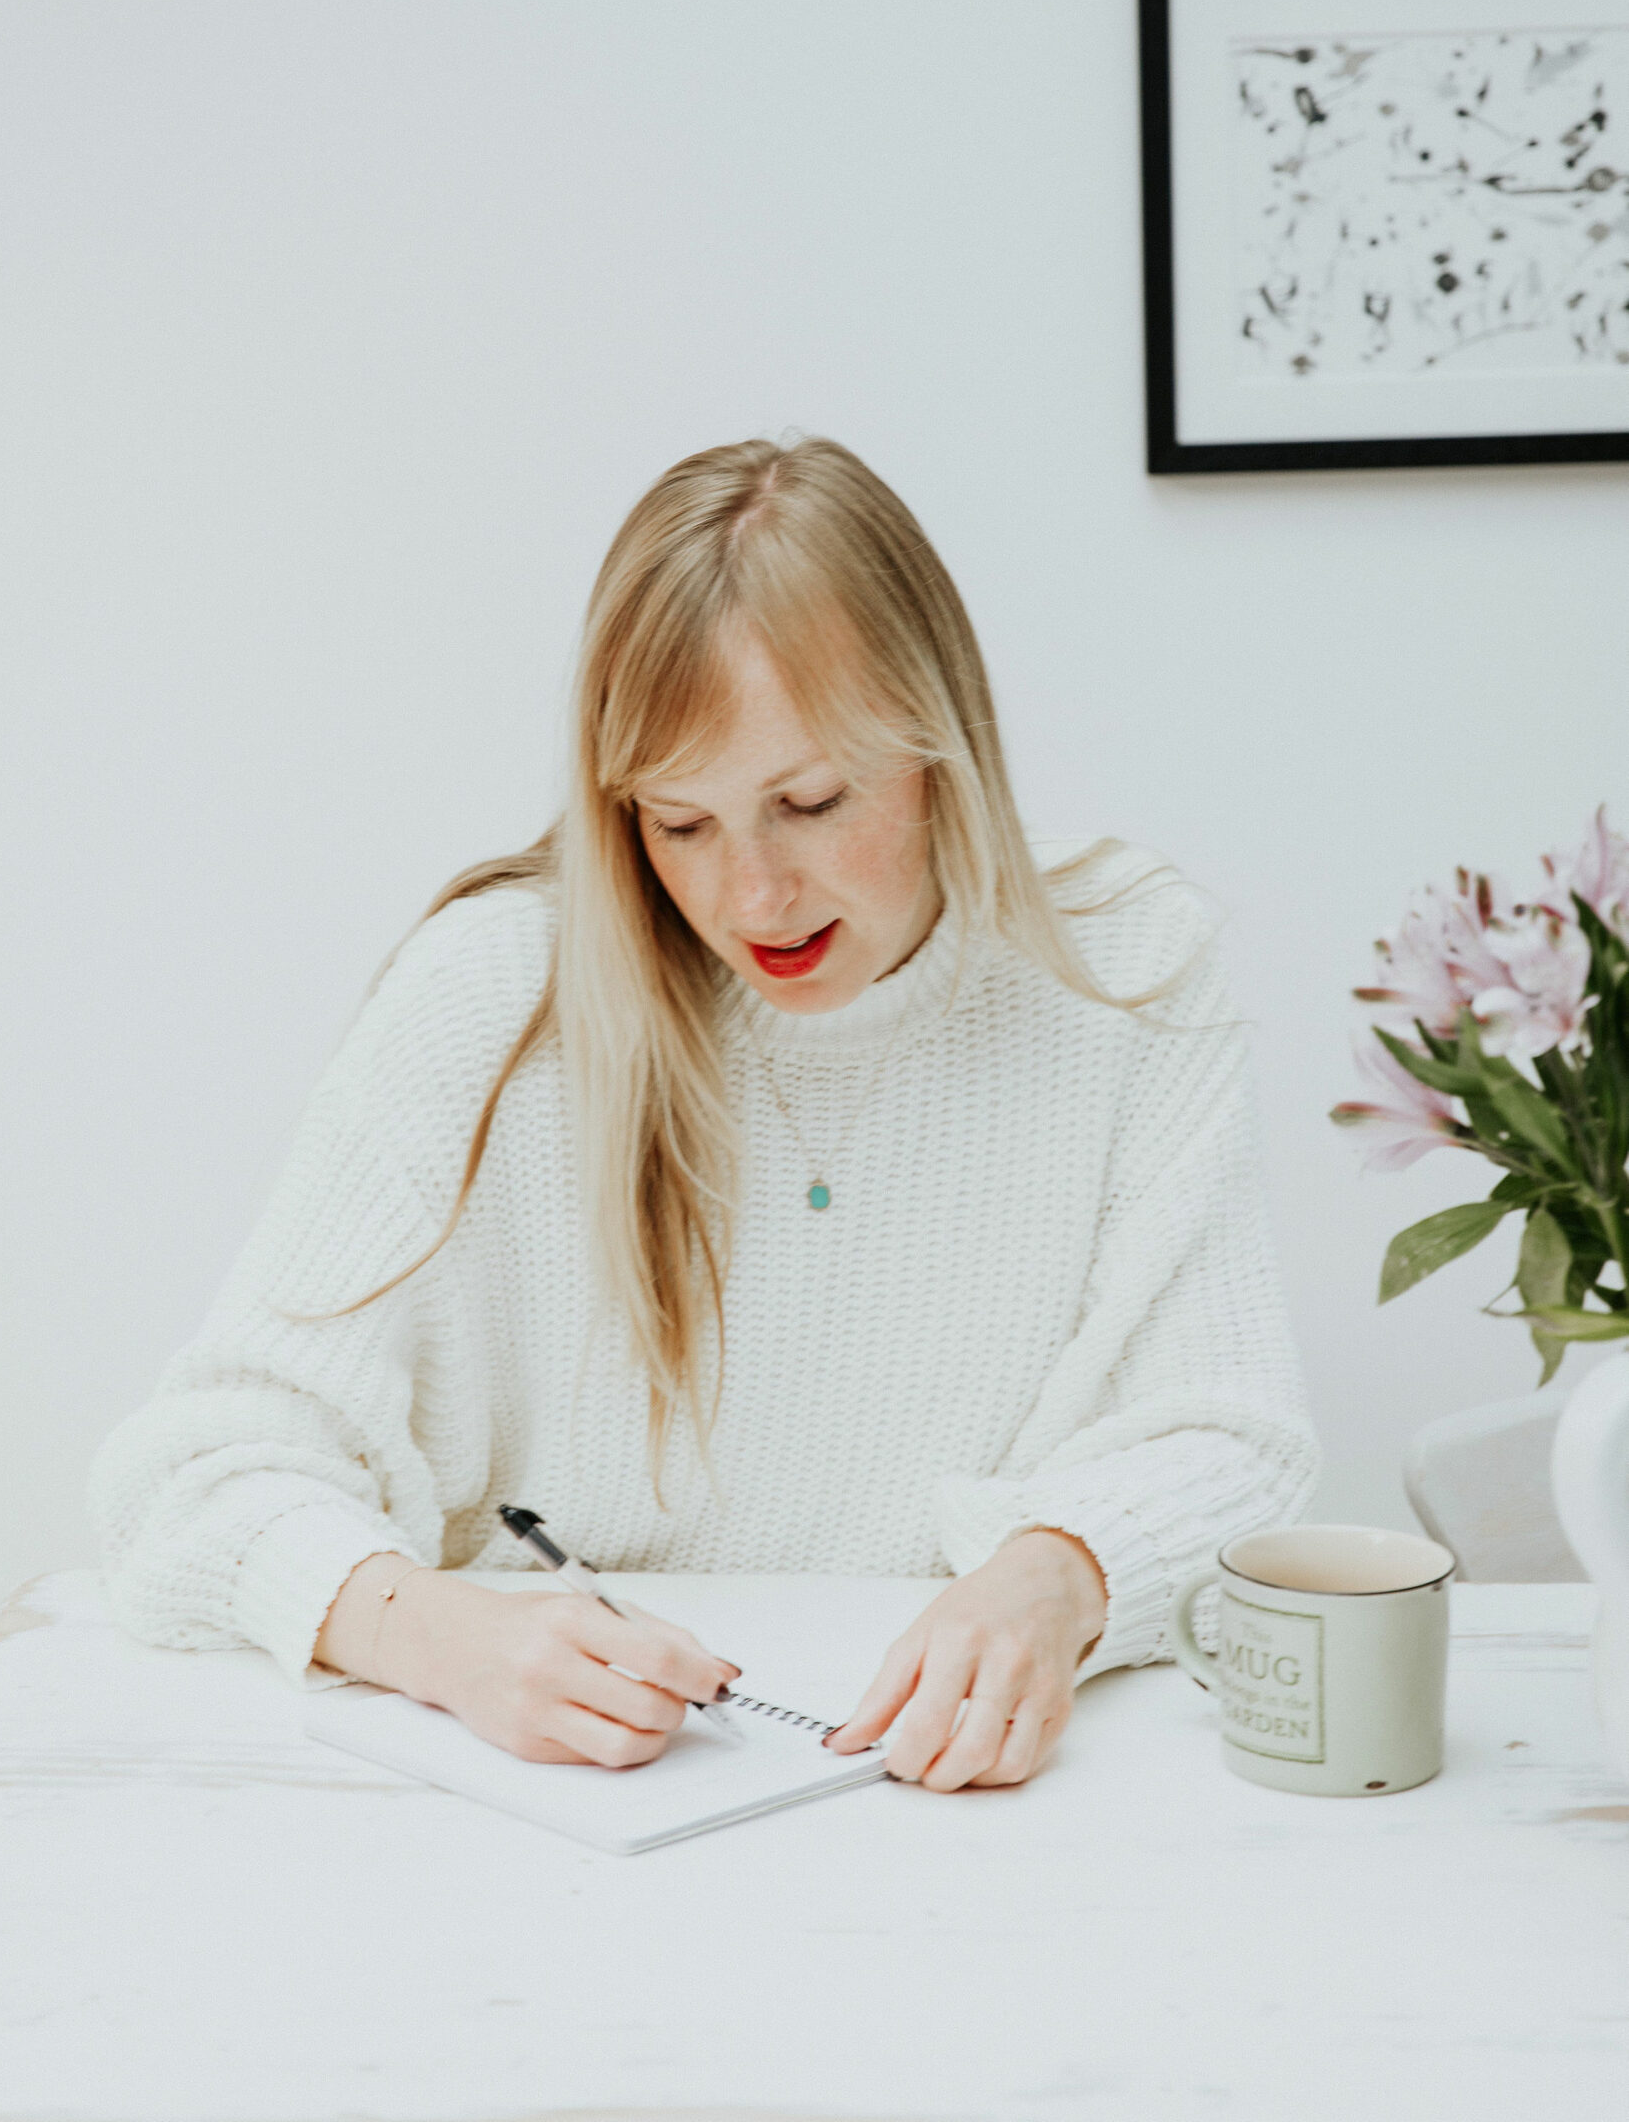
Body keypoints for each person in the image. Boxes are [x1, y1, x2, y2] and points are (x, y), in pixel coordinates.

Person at [90, 436, 1316, 1791]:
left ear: (940, 748)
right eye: (681, 824)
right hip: (550, 1811)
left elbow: (1235, 1439)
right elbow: (190, 1474)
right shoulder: (496, 994)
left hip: (959, 1805)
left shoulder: (1127, 975)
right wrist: (445, 1639)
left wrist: (1060, 1573)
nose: (754, 900)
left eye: (810, 802)